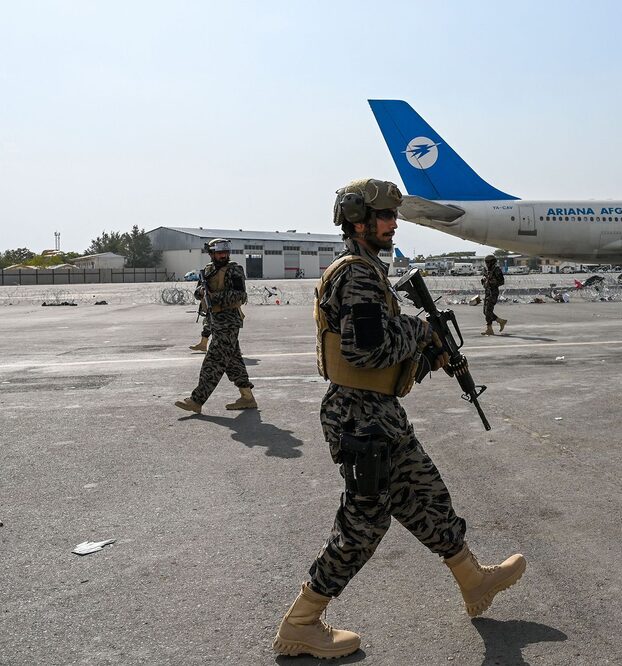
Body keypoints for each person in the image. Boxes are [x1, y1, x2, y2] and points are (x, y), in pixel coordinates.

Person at [272, 179, 525, 660]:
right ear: (358, 221)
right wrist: (422, 331)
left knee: (426, 495)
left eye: (393, 215)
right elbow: (365, 350)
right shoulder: (358, 275)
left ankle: (474, 582)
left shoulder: (370, 271)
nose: (393, 223)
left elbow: (385, 353)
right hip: (359, 416)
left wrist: (431, 354)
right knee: (364, 523)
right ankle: (301, 623)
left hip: (379, 411)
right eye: (386, 216)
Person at [174, 239, 257, 413]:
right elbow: (198, 293)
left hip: (229, 322)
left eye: (226, 252)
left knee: (214, 362)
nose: (223, 255)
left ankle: (196, 401)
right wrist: (201, 292)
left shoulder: (235, 270)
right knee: (233, 361)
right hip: (215, 321)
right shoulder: (208, 271)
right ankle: (247, 397)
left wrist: (214, 297)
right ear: (212, 254)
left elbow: (239, 295)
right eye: (219, 253)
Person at [480, 255, 507, 335]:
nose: (486, 264)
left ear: (492, 262)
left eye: (488, 262)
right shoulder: (486, 270)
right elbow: (484, 279)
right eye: (486, 262)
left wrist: (493, 282)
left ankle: (489, 329)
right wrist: (484, 281)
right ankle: (500, 321)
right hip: (487, 291)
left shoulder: (496, 270)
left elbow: (501, 281)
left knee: (488, 310)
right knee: (485, 312)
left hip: (493, 292)